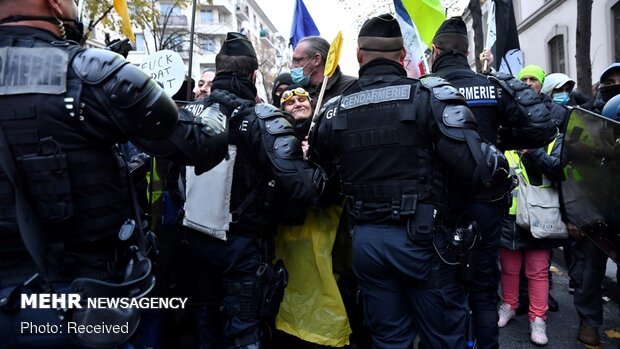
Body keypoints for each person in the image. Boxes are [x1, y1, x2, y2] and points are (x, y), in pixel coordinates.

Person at [0, 0, 230, 347]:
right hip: (84, 304)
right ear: (54, 3)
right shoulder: (91, 72)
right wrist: (217, 110)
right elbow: (200, 142)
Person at [309, 13, 511, 349]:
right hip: (423, 242)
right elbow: (480, 169)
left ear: (359, 55)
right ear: (403, 57)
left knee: (390, 340)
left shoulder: (334, 109)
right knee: (444, 338)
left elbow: (320, 184)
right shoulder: (428, 97)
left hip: (366, 243)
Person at [181, 32, 323, 349]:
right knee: (245, 332)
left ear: (219, 73)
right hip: (241, 246)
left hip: (193, 239)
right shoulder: (261, 119)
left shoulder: (189, 116)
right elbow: (302, 186)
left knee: (206, 325)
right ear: (253, 75)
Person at [430, 17, 557, 349]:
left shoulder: (424, 88)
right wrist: (500, 141)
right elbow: (541, 129)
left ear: (435, 51)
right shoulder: (492, 86)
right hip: (487, 203)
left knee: (445, 288)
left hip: (441, 207)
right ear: (467, 50)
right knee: (485, 289)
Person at [272, 85, 351, 348]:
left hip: (327, 233)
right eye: (289, 101)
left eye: (301, 98)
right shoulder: (273, 140)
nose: (297, 103)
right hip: (289, 238)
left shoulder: (325, 133)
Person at [496, 65, 568, 346]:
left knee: (537, 271)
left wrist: (532, 152)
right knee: (510, 268)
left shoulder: (553, 135)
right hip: (509, 214)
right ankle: (509, 306)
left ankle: (538, 319)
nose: (527, 85)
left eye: (533, 80)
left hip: (540, 216)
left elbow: (560, 169)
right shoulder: (503, 134)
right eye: (523, 80)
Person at [569, 62, 620, 346]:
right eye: (610, 81)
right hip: (596, 207)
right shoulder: (587, 121)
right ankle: (589, 320)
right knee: (590, 270)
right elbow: (574, 167)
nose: (615, 84)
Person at [290, 36, 356, 103]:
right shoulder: (298, 94)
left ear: (316, 60)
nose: (291, 66)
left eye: (297, 60)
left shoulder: (352, 86)